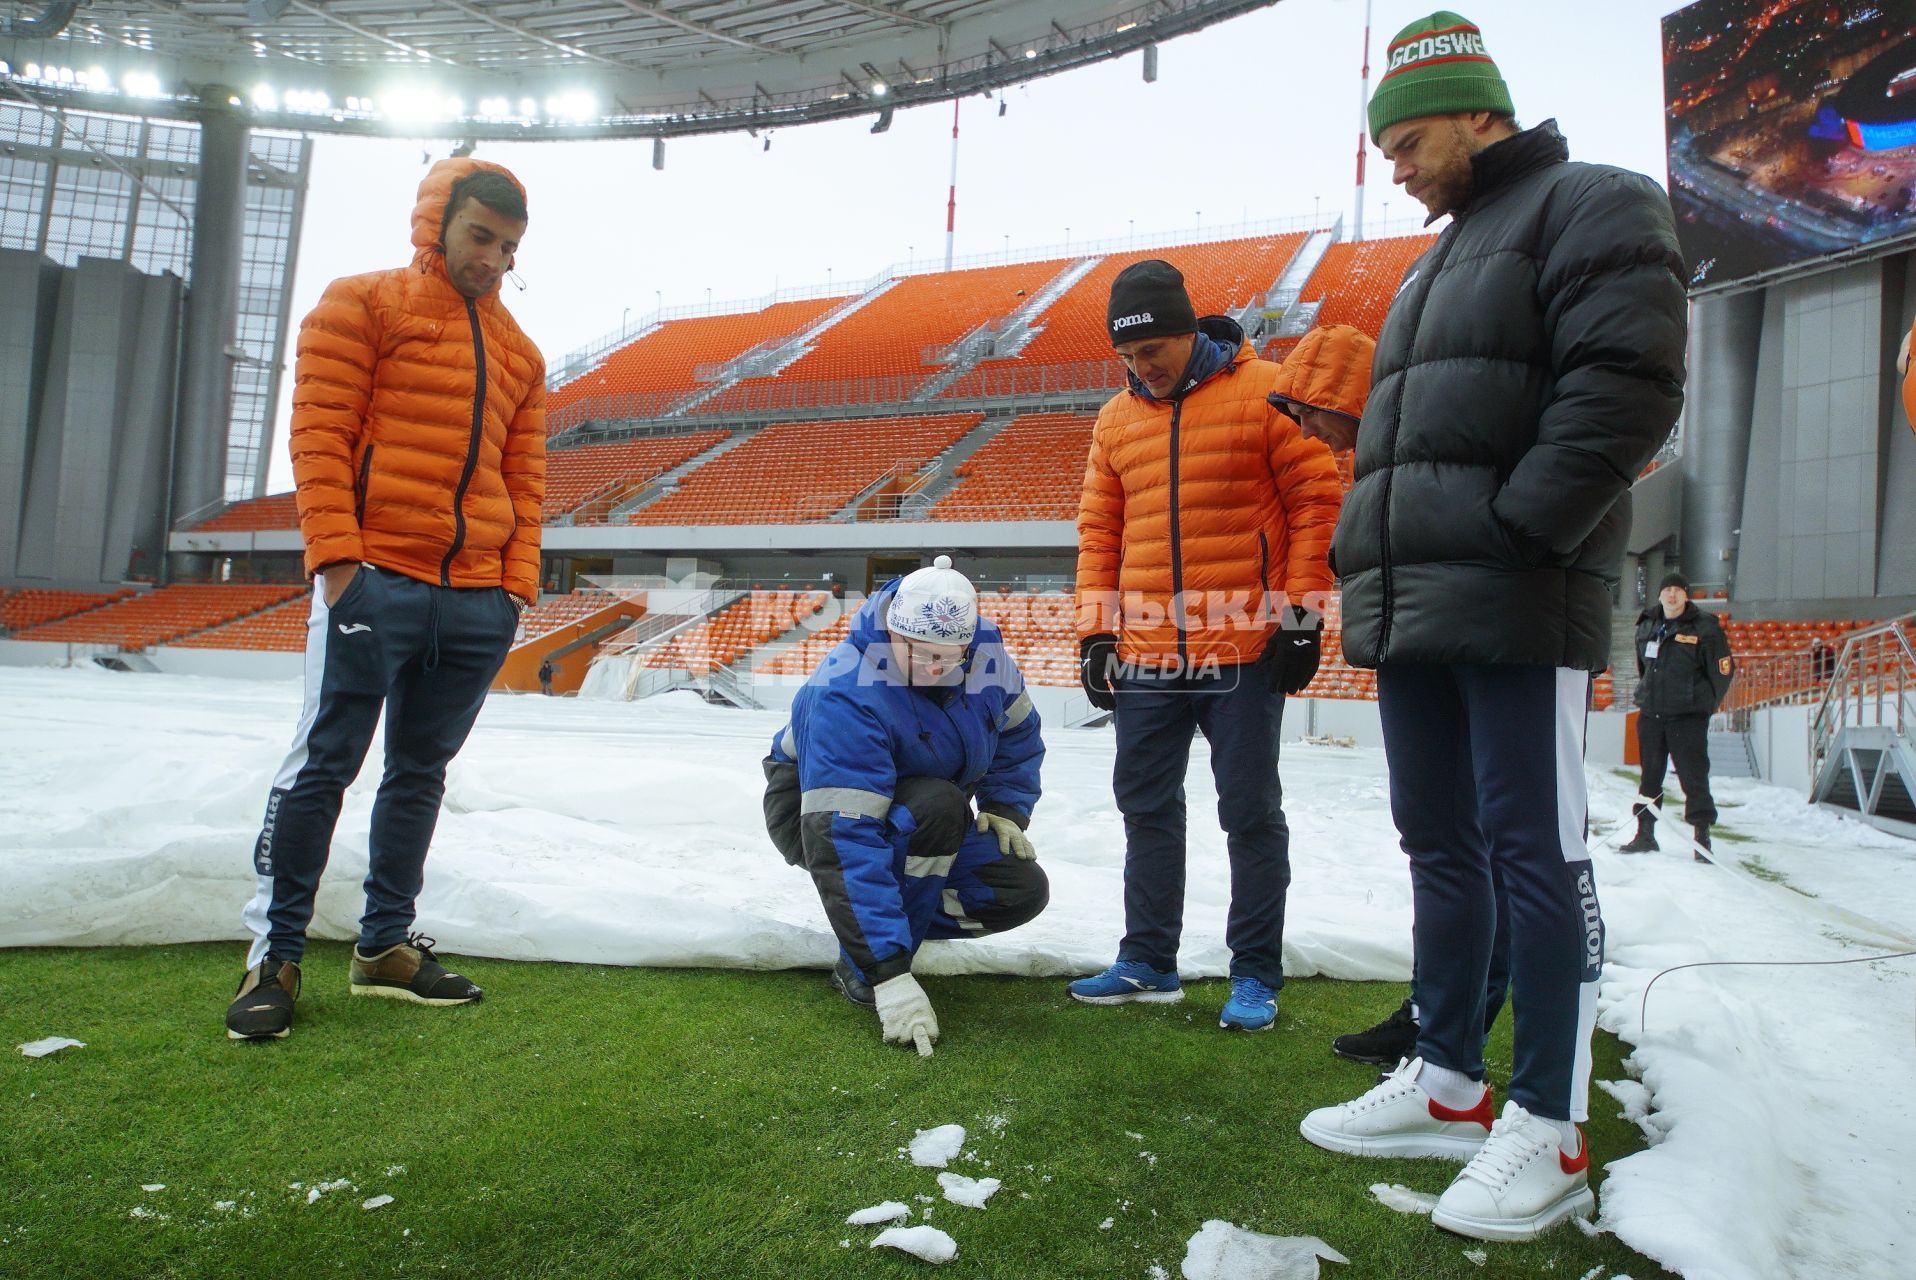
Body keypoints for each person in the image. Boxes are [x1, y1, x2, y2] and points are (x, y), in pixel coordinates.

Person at [1295, 12, 1687, 1243]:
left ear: (1479, 112)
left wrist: (1522, 531)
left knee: (1536, 850)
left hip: (1516, 594)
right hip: (1421, 604)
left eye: (1408, 142)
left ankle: (1548, 1123)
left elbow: (1624, 381)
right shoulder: (1437, 257)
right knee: (1437, 841)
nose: (1396, 169)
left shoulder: (1593, 203)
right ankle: (1451, 1076)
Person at [224, 158, 546, 1041]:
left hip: (477, 598)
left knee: (419, 775)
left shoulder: (521, 352)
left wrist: (514, 589)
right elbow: (319, 436)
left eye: (510, 247)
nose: (494, 260)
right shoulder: (360, 303)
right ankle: (275, 953)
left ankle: (383, 948)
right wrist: (337, 566)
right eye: (481, 236)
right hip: (377, 580)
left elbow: (527, 479)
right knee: (324, 765)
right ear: (436, 220)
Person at [1069, 260, 1344, 1032]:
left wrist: (1301, 617)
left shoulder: (1267, 392)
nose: (1141, 367)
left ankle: (1255, 971)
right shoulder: (1114, 419)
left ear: (1189, 331)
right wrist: (1095, 633)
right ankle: (1149, 960)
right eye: (1127, 357)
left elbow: (1316, 501)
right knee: (1145, 807)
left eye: (1152, 349)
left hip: (1246, 645)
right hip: (1149, 653)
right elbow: (1100, 532)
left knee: (1249, 813)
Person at [762, 556, 1048, 1056]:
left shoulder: (986, 659)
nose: (936, 668)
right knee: (936, 807)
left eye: (950, 656)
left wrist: (1006, 805)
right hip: (816, 813)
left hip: (925, 808)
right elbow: (844, 835)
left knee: (1018, 888)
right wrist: (887, 973)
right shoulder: (843, 692)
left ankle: (890, 920)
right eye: (919, 654)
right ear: (894, 631)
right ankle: (866, 958)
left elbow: (1018, 732)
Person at [1617, 572, 1735, 858]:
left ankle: (1702, 839)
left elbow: (1722, 671)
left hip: (1688, 717)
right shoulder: (1647, 624)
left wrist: (1704, 705)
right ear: (1659, 595)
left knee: (1694, 778)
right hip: (1652, 714)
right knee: (1649, 777)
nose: (1672, 595)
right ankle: (1645, 833)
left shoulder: (1705, 627)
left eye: (1678, 591)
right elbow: (1643, 666)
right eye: (1667, 590)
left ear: (1686, 595)